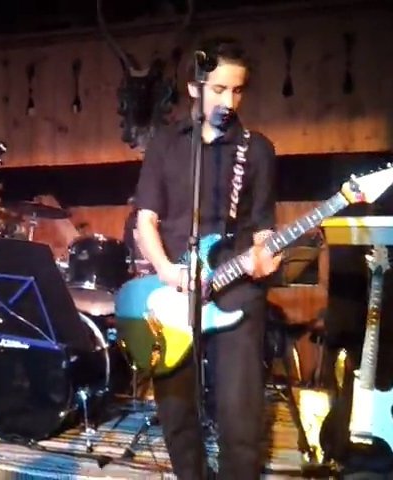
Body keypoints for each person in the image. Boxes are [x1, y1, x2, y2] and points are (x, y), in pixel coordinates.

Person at [134, 37, 281, 479]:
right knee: (176, 408)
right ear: (194, 87)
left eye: (237, 90)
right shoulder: (165, 144)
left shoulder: (257, 150)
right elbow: (146, 219)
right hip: (174, 289)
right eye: (218, 89)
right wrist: (166, 271)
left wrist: (266, 256)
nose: (229, 101)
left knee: (239, 413)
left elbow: (264, 228)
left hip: (236, 288)